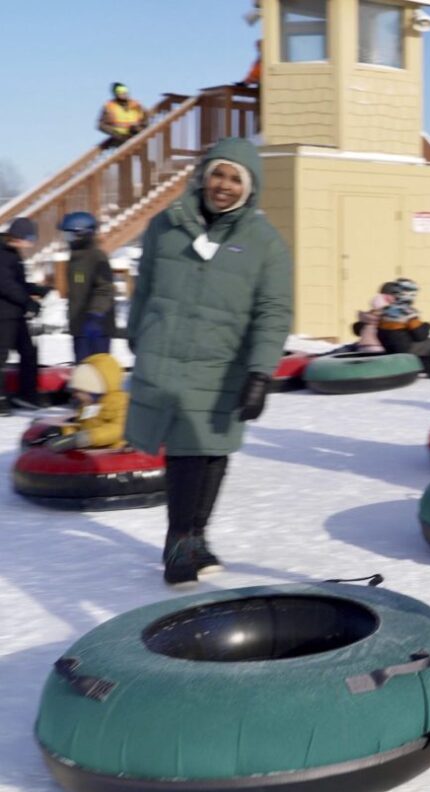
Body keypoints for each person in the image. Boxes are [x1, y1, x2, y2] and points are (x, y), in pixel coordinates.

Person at [125, 137, 293, 586]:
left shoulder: (265, 242)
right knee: (184, 451)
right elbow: (143, 286)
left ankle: (196, 538)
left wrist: (261, 372)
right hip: (169, 357)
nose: (223, 185)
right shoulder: (166, 225)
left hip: (224, 366)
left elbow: (274, 311)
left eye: (235, 178)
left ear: (249, 186)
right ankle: (178, 543)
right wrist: (137, 332)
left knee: (215, 452)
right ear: (203, 175)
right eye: (218, 173)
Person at [0, 217, 50, 414]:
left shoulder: (12, 252)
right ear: (19, 236)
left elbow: (16, 282)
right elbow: (5, 285)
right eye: (30, 238)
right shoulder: (2, 253)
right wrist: (28, 301)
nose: (31, 243)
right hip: (3, 314)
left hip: (15, 312)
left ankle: (26, 394)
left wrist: (35, 288)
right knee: (1, 355)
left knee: (29, 352)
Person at [39, 353, 128, 452]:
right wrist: (63, 432)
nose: (74, 395)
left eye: (79, 391)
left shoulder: (121, 403)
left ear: (93, 389)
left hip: (116, 452)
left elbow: (117, 430)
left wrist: (84, 439)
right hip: (95, 450)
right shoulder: (87, 406)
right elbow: (82, 428)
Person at [59, 212, 115, 362]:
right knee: (83, 374)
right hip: (79, 327)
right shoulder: (75, 258)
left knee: (96, 373)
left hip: (96, 328)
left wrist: (95, 315)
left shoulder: (97, 257)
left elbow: (104, 288)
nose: (67, 240)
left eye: (70, 236)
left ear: (82, 234)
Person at [375, 278, 430, 378]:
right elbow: (420, 335)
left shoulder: (385, 310)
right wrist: (427, 326)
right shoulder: (407, 312)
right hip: (404, 348)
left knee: (420, 345)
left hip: (389, 347)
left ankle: (428, 368)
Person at [97, 82, 147, 147]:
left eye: (125, 92)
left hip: (137, 137)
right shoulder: (109, 107)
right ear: (115, 94)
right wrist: (118, 135)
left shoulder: (136, 105)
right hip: (121, 140)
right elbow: (101, 125)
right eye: (120, 92)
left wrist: (139, 128)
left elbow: (145, 118)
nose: (124, 94)